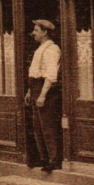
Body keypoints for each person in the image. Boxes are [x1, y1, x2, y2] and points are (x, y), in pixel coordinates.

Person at [24, 19, 63, 172]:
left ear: (45, 32)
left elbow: (51, 75)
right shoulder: (40, 49)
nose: (33, 33)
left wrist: (42, 95)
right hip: (36, 88)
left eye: (36, 30)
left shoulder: (52, 49)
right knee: (38, 127)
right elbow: (35, 73)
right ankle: (44, 159)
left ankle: (54, 160)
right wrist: (30, 91)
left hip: (45, 90)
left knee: (48, 127)